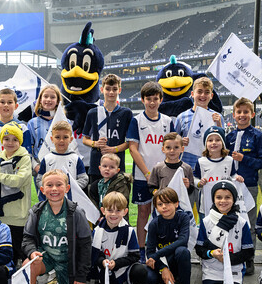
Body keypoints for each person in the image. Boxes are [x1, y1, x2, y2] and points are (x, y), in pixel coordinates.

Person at [21, 170, 92, 284]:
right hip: (46, 257)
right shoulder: (37, 211)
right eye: (49, 185)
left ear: (67, 188)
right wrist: (32, 251)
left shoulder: (77, 212)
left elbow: (85, 245)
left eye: (59, 185)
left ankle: (59, 282)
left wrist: (81, 275)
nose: (54, 189)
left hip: (68, 262)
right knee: (28, 265)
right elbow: (27, 238)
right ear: (42, 189)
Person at [126, 82, 175, 260]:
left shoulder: (168, 121)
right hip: (142, 175)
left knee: (163, 211)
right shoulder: (136, 120)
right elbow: (133, 149)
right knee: (143, 212)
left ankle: (159, 249)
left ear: (161, 100)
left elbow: (172, 147)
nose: (152, 103)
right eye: (149, 99)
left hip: (164, 175)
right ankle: (141, 249)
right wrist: (148, 173)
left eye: (156, 99)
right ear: (142, 100)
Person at [194, 180, 253, 284]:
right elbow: (199, 249)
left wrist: (229, 259)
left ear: (234, 199)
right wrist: (212, 254)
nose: (223, 201)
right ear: (213, 199)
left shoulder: (242, 222)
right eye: (218, 197)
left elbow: (248, 252)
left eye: (228, 197)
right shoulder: (206, 221)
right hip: (212, 270)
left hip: (234, 270)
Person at [225, 98, 262, 275]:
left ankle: (249, 258)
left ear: (252, 114)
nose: (242, 115)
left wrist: (244, 159)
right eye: (239, 112)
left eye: (246, 112)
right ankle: (231, 253)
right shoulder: (229, 137)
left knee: (248, 223)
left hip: (248, 186)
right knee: (229, 221)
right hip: (229, 185)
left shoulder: (258, 136)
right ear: (234, 115)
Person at [0, 122, 32, 267]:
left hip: (19, 215)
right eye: (7, 139)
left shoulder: (25, 159)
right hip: (4, 213)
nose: (10, 142)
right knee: (7, 248)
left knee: (21, 248)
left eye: (15, 139)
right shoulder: (0, 159)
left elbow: (18, 181)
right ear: (2, 141)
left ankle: (26, 277)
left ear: (20, 141)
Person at [92, 192, 146, 284]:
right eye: (110, 210)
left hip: (123, 268)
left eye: (118, 210)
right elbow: (95, 254)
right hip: (106, 271)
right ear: (103, 210)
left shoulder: (130, 232)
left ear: (125, 212)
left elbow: (135, 256)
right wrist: (102, 261)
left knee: (140, 271)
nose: (114, 214)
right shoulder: (97, 231)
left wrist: (116, 263)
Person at [145, 188, 192, 284]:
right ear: (156, 207)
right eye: (160, 204)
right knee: (147, 278)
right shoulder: (154, 224)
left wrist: (157, 254)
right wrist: (162, 268)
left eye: (168, 203)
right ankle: (161, 282)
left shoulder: (183, 218)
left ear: (176, 204)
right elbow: (149, 252)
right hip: (162, 262)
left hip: (176, 259)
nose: (164, 207)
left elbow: (183, 241)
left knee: (183, 251)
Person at [83, 74, 133, 184]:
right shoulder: (93, 112)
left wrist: (113, 149)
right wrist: (95, 144)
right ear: (102, 90)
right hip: (97, 165)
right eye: (108, 89)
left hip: (117, 165)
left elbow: (130, 142)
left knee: (117, 199)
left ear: (119, 90)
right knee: (95, 199)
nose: (111, 92)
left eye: (114, 89)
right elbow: (85, 139)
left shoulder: (126, 113)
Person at [175, 76, 223, 170]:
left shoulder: (218, 117)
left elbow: (223, 144)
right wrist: (180, 142)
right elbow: (173, 141)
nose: (203, 95)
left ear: (211, 96)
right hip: (187, 166)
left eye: (207, 92)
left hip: (210, 166)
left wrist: (219, 125)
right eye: (199, 91)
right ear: (192, 94)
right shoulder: (181, 117)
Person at [194, 126, 243, 217]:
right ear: (205, 143)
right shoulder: (201, 162)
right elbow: (194, 178)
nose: (214, 143)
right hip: (206, 205)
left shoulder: (229, 160)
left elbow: (232, 175)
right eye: (210, 140)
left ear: (223, 143)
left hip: (225, 205)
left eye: (217, 140)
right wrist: (199, 183)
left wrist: (237, 177)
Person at [36, 121, 88, 200]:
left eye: (65, 137)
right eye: (57, 137)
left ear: (71, 139)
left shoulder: (76, 159)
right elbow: (39, 179)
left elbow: (83, 179)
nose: (61, 140)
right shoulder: (47, 159)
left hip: (71, 200)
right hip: (50, 200)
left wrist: (68, 187)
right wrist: (50, 188)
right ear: (51, 139)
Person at [27, 84, 61, 174]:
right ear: (40, 100)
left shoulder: (64, 121)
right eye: (45, 96)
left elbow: (71, 146)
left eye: (52, 97)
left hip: (60, 167)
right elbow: (28, 149)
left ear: (57, 101)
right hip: (40, 167)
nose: (49, 99)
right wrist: (36, 166)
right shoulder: (32, 123)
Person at [148, 132, 194, 196]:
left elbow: (191, 190)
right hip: (163, 203)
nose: (172, 150)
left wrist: (188, 186)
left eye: (176, 147)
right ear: (163, 149)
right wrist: (156, 193)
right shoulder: (158, 168)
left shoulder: (187, 168)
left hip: (180, 204)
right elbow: (151, 187)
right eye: (168, 147)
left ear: (182, 149)